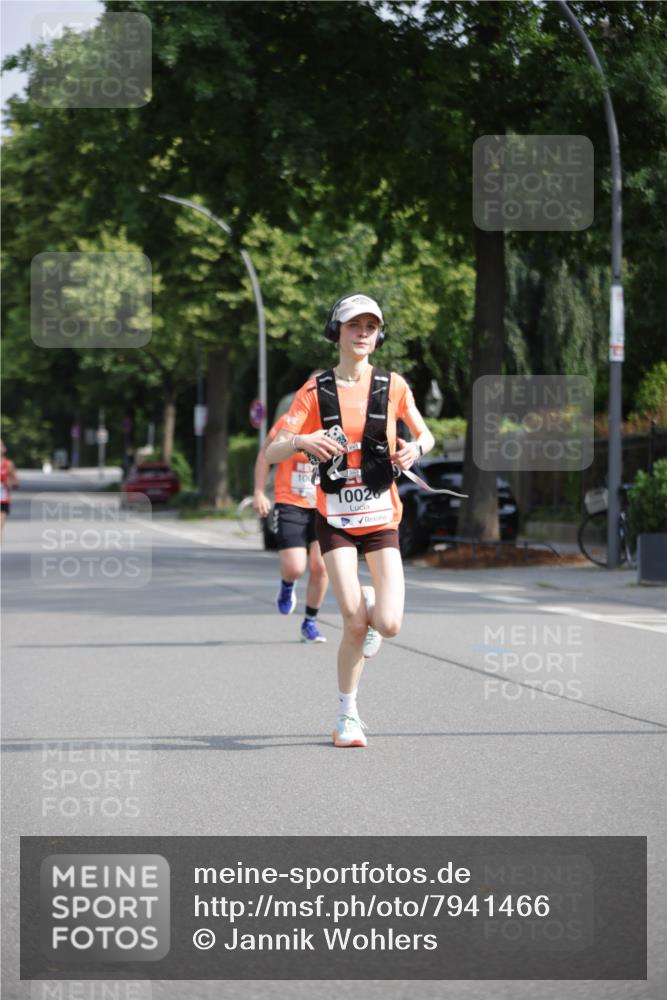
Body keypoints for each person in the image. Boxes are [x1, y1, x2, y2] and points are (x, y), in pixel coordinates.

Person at [265, 293, 435, 748]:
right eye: (354, 325)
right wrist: (303, 439)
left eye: (371, 327)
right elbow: (274, 449)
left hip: (382, 518)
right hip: (336, 518)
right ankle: (348, 716)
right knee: (355, 625)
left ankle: (366, 596)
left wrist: (415, 449)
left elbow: (425, 432)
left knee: (390, 623)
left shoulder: (393, 385)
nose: (363, 333)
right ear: (336, 332)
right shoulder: (315, 390)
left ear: (378, 337)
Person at [253, 395, 329, 644]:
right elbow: (265, 455)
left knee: (321, 567)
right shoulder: (288, 422)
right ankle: (287, 585)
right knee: (296, 567)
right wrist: (259, 492)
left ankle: (310, 622)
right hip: (290, 503)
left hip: (323, 505)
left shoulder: (335, 426)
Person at [0, 439, 19, 537]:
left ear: (4, 448)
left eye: (0, 445)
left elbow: (16, 483)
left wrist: (9, 483)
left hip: (3, 500)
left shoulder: (8, 464)